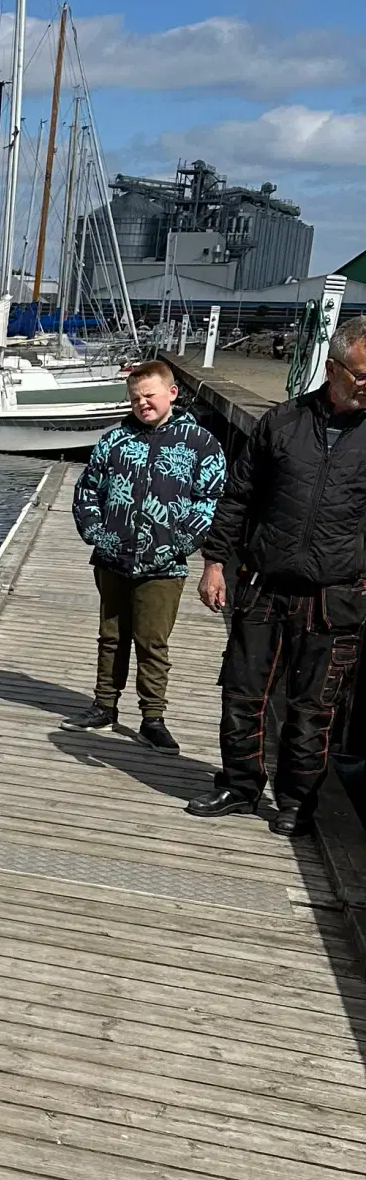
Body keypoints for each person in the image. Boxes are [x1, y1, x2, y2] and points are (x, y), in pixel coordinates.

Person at [187, 317, 366, 834]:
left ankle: (296, 804)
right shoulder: (282, 422)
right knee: (243, 691)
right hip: (265, 584)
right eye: (359, 374)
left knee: (314, 707)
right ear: (332, 369)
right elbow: (237, 497)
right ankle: (240, 786)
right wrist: (215, 563)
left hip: (336, 595)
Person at [69, 356, 226, 750]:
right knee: (111, 636)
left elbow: (209, 502)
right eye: (136, 398)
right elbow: (88, 490)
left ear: (171, 393)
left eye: (150, 396)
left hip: (164, 565)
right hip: (112, 558)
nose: (142, 404)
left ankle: (152, 718)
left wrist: (178, 545)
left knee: (151, 640)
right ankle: (104, 705)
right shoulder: (113, 440)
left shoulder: (201, 443)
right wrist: (95, 532)